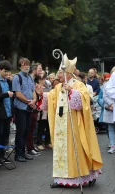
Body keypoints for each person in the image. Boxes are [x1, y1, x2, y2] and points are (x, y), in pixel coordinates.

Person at [35, 54, 103, 187]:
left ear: (68, 73)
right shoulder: (58, 87)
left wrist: (72, 91)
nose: (58, 75)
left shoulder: (78, 85)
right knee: (61, 152)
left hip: (75, 126)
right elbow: (50, 100)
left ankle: (83, 176)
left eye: (60, 72)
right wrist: (41, 95)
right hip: (61, 126)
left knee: (78, 150)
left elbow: (85, 102)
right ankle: (61, 178)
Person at [12, 58, 36, 162]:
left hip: (29, 108)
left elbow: (33, 91)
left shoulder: (30, 78)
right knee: (20, 131)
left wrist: (34, 100)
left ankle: (23, 152)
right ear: (20, 66)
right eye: (23, 65)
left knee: (26, 130)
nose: (26, 66)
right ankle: (18, 154)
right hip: (20, 108)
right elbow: (18, 94)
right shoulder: (17, 77)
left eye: (27, 65)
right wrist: (28, 102)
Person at [103, 65, 115, 154]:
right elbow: (105, 96)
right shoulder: (106, 84)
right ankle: (112, 145)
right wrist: (112, 104)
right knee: (111, 128)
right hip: (110, 108)